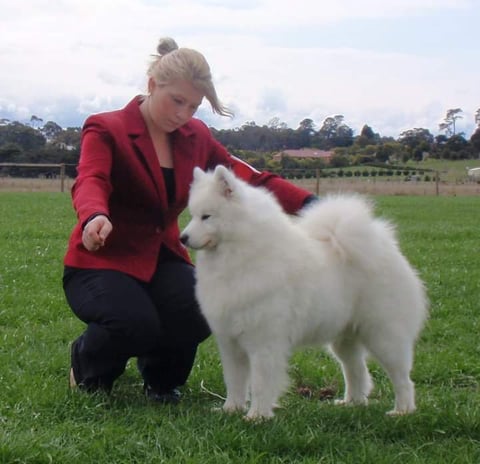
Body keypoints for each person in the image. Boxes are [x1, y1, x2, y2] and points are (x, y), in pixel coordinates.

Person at [63, 37, 316, 404]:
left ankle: (162, 382)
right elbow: (91, 179)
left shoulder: (195, 136)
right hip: (101, 258)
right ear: (152, 85)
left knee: (201, 307)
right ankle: (87, 369)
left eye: (193, 106)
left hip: (163, 256)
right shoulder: (107, 128)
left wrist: (311, 205)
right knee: (134, 323)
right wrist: (94, 215)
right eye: (176, 101)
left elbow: (249, 179)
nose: (183, 114)